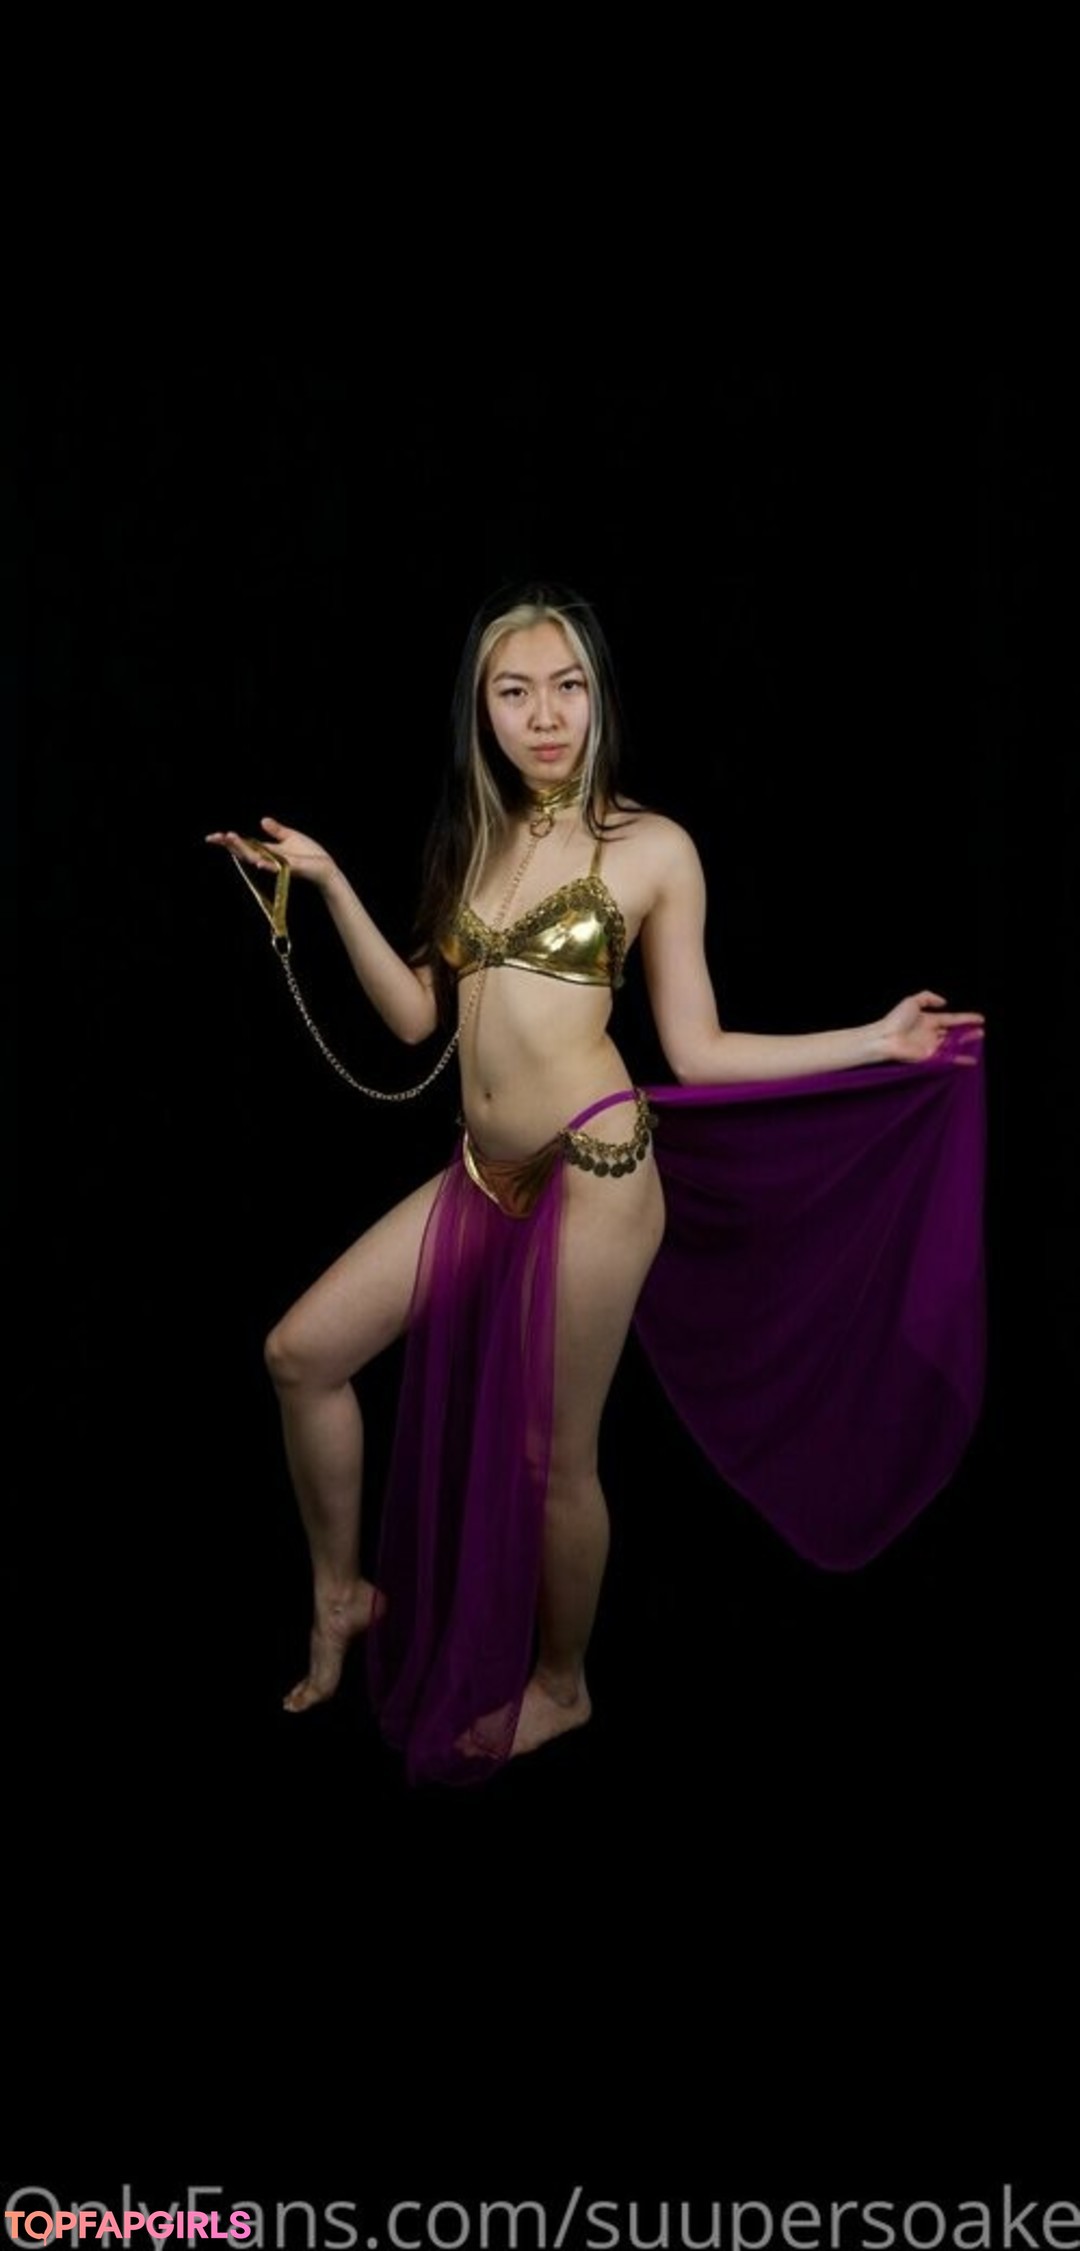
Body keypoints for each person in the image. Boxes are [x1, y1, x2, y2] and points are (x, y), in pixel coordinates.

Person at [207, 579, 986, 1788]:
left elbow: (699, 1050)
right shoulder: (476, 840)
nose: (544, 715)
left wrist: (874, 1041)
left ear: (597, 696)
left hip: (599, 1168)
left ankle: (563, 1684)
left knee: (546, 1456)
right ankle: (341, 1591)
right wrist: (328, 885)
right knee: (301, 1354)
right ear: (482, 709)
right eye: (515, 692)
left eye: (566, 687)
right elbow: (414, 1015)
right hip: (484, 1173)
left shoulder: (651, 848)